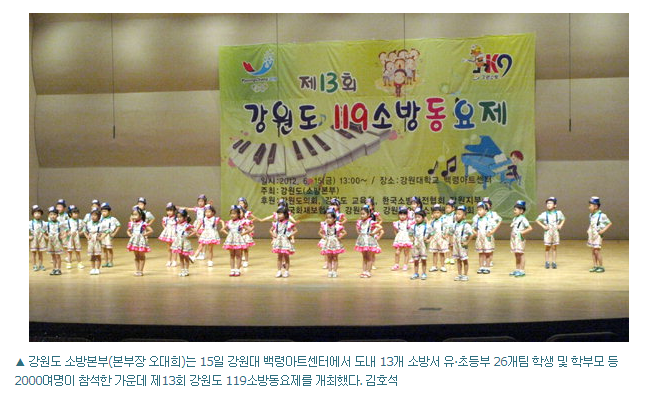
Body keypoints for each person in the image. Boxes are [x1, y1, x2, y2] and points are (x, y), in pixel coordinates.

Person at [535, 197, 566, 269]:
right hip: (548, 232)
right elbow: (537, 220)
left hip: (555, 231)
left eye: (550, 203)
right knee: (547, 247)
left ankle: (554, 262)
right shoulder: (544, 214)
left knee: (554, 247)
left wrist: (560, 225)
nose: (548, 204)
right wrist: (543, 226)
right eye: (547, 203)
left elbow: (563, 219)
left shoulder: (558, 213)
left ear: (555, 205)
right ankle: (547, 261)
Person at [222, 205, 252, 277]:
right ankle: (232, 270)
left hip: (238, 240)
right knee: (232, 255)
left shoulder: (241, 222)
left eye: (234, 213)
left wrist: (241, 234)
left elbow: (249, 229)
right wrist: (229, 234)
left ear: (238, 214)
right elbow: (222, 229)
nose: (232, 215)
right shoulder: (229, 222)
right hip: (231, 240)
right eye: (231, 213)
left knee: (238, 255)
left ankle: (238, 270)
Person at [355, 205, 382, 278]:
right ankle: (364, 271)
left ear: (368, 214)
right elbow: (358, 228)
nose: (362, 215)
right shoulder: (360, 222)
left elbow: (380, 227)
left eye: (363, 214)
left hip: (369, 241)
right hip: (362, 240)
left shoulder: (371, 222)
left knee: (369, 257)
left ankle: (368, 272)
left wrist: (373, 233)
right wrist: (359, 232)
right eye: (361, 214)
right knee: (364, 257)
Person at [270, 206, 297, 278]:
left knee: (286, 256)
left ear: (285, 214)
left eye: (280, 214)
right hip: (279, 241)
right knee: (279, 257)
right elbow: (271, 230)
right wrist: (274, 235)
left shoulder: (288, 223)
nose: (279, 215)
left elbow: (295, 230)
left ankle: (286, 271)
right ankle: (279, 271)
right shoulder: (276, 223)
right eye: (278, 214)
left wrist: (290, 235)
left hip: (285, 241)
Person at [587, 196, 612, 273]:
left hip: (597, 235)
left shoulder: (602, 215)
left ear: (596, 206)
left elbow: (609, 223)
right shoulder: (591, 215)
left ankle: (601, 266)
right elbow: (591, 224)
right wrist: (588, 229)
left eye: (590, 205)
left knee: (597, 251)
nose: (589, 207)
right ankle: (595, 265)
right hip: (592, 235)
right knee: (593, 251)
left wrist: (603, 230)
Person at [319, 209, 346, 278]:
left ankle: (335, 271)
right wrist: (324, 237)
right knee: (329, 258)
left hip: (335, 243)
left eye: (330, 218)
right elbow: (320, 232)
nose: (328, 219)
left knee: (335, 257)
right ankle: (330, 271)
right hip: (328, 243)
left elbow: (344, 232)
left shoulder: (337, 226)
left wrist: (339, 237)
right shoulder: (325, 225)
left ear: (334, 219)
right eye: (327, 218)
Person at [126, 206, 153, 277]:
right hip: (134, 241)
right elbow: (128, 230)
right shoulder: (132, 223)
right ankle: (137, 270)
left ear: (140, 216)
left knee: (141, 256)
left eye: (136, 215)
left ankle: (141, 270)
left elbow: (151, 230)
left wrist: (144, 234)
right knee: (136, 256)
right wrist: (129, 234)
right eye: (133, 215)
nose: (134, 216)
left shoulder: (143, 223)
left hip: (141, 241)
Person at [509, 200, 533, 277]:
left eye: (516, 209)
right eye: (514, 209)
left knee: (521, 254)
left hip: (519, 239)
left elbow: (530, 228)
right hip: (514, 239)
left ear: (521, 211)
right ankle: (517, 269)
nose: (514, 211)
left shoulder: (523, 219)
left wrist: (522, 232)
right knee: (516, 254)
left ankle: (522, 270)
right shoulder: (515, 218)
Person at [170, 209, 197, 277]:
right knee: (181, 257)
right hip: (178, 243)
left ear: (185, 217)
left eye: (180, 217)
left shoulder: (187, 225)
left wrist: (189, 235)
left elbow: (195, 231)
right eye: (178, 217)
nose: (179, 218)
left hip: (185, 243)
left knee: (186, 257)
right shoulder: (176, 224)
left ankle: (186, 270)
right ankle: (182, 270)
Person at [452, 205, 474, 281]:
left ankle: (465, 275)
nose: (457, 215)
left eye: (459, 214)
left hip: (462, 245)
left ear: (464, 216)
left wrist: (467, 242)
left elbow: (471, 234)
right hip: (456, 245)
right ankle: (459, 274)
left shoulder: (466, 225)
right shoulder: (454, 224)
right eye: (456, 214)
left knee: (464, 260)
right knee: (458, 260)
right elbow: (451, 233)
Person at [473, 202, 495, 274]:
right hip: (480, 238)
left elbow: (493, 226)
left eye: (480, 210)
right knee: (480, 253)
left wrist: (490, 232)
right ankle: (481, 267)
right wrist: (475, 233)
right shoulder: (477, 219)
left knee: (487, 253)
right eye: (478, 210)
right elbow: (473, 227)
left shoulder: (488, 219)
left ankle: (487, 267)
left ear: (485, 211)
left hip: (486, 239)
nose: (479, 212)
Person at [409, 209, 431, 280]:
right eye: (416, 217)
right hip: (415, 245)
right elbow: (410, 234)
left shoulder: (427, 226)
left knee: (423, 260)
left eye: (419, 217)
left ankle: (424, 273)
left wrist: (429, 239)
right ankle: (416, 273)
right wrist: (411, 238)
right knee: (416, 260)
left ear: (423, 218)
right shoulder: (413, 226)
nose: (417, 219)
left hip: (423, 246)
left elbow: (432, 233)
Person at [45, 206, 66, 276]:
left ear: (57, 215)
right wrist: (46, 237)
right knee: (53, 256)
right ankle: (54, 268)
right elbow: (43, 231)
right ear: (48, 215)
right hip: (51, 241)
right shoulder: (47, 224)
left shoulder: (60, 224)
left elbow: (66, 230)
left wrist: (63, 236)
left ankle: (58, 269)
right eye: (51, 214)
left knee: (58, 256)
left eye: (54, 214)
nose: (52, 216)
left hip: (57, 241)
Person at [482, 197, 502, 268]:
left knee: (490, 247)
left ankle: (490, 260)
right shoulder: (481, 213)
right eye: (484, 204)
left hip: (490, 234)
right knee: (483, 247)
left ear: (490, 205)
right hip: (482, 234)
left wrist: (494, 230)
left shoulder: (493, 214)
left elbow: (500, 220)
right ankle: (484, 260)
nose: (485, 205)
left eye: (487, 204)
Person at [99, 202, 121, 268]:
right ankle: (106, 262)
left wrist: (114, 233)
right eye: (102, 211)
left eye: (105, 211)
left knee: (109, 249)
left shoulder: (113, 219)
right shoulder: (100, 219)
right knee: (104, 249)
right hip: (102, 235)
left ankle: (110, 262)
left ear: (109, 212)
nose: (103, 213)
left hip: (108, 235)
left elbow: (119, 225)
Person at [392, 206, 413, 271]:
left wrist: (411, 237)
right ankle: (396, 264)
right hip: (399, 238)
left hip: (407, 238)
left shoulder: (409, 222)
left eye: (404, 214)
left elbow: (411, 230)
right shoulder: (397, 223)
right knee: (397, 252)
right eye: (401, 214)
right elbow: (395, 230)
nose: (402, 216)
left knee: (406, 252)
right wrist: (397, 236)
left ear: (407, 215)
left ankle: (405, 265)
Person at [428, 204, 449, 273]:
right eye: (434, 213)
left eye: (438, 212)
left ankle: (442, 266)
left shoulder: (443, 220)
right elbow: (430, 229)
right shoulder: (432, 222)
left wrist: (446, 235)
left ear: (441, 213)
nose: (436, 214)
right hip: (434, 238)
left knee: (442, 253)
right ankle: (434, 266)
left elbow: (447, 228)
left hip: (441, 238)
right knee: (434, 253)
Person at [84, 208, 104, 275]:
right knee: (92, 255)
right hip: (91, 241)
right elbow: (84, 230)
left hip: (97, 240)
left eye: (95, 215)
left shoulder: (101, 224)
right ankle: (93, 268)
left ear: (99, 216)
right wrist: (87, 236)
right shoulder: (88, 223)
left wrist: (101, 237)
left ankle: (97, 269)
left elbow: (106, 231)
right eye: (92, 215)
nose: (93, 217)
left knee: (98, 255)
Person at [158, 202, 178, 267]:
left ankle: (174, 261)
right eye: (168, 211)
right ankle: (169, 261)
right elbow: (163, 223)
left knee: (175, 248)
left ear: (174, 211)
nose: (169, 212)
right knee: (169, 248)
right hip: (168, 234)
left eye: (171, 210)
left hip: (174, 234)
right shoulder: (165, 218)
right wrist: (166, 229)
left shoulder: (176, 218)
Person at [64, 205, 84, 269]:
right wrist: (67, 232)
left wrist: (81, 232)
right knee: (69, 251)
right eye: (74, 213)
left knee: (77, 250)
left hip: (76, 237)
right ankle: (69, 263)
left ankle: (79, 263)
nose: (76, 215)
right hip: (70, 237)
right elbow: (63, 228)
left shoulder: (80, 221)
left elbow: (85, 227)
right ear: (70, 214)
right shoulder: (67, 221)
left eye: (77, 213)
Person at [29, 205, 47, 271]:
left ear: (41, 214)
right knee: (33, 253)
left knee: (40, 253)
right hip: (34, 239)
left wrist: (46, 236)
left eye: (39, 213)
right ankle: (34, 265)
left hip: (41, 239)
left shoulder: (43, 223)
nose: (37, 214)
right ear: (33, 214)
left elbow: (45, 231)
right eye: (35, 213)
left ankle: (41, 265)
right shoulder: (30, 223)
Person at [442, 198, 457, 266]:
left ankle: (452, 258)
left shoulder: (455, 216)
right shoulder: (444, 216)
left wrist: (451, 233)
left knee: (452, 245)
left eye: (449, 208)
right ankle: (447, 257)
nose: (447, 209)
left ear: (453, 208)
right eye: (446, 208)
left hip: (452, 234)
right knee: (446, 245)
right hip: (446, 233)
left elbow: (455, 225)